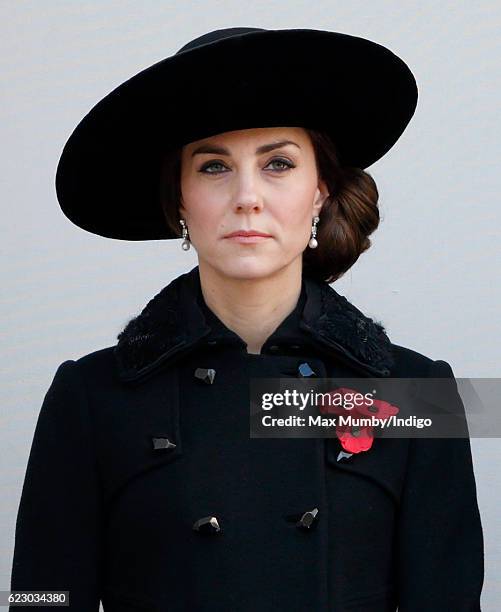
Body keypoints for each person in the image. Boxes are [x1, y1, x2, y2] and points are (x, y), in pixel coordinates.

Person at [9, 27, 484, 611]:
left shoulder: (419, 394)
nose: (247, 197)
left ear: (320, 192)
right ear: (179, 200)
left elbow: (449, 600)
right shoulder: (89, 396)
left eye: (278, 163)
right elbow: (41, 598)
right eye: (213, 167)